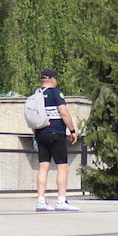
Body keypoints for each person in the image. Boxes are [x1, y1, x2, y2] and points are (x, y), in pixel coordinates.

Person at [34, 69, 79, 212]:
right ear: (53, 79)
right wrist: (72, 130)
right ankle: (61, 200)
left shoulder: (36, 94)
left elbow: (33, 116)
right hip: (56, 133)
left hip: (40, 133)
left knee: (43, 166)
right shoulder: (55, 93)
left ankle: (41, 201)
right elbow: (64, 113)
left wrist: (36, 133)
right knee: (62, 166)